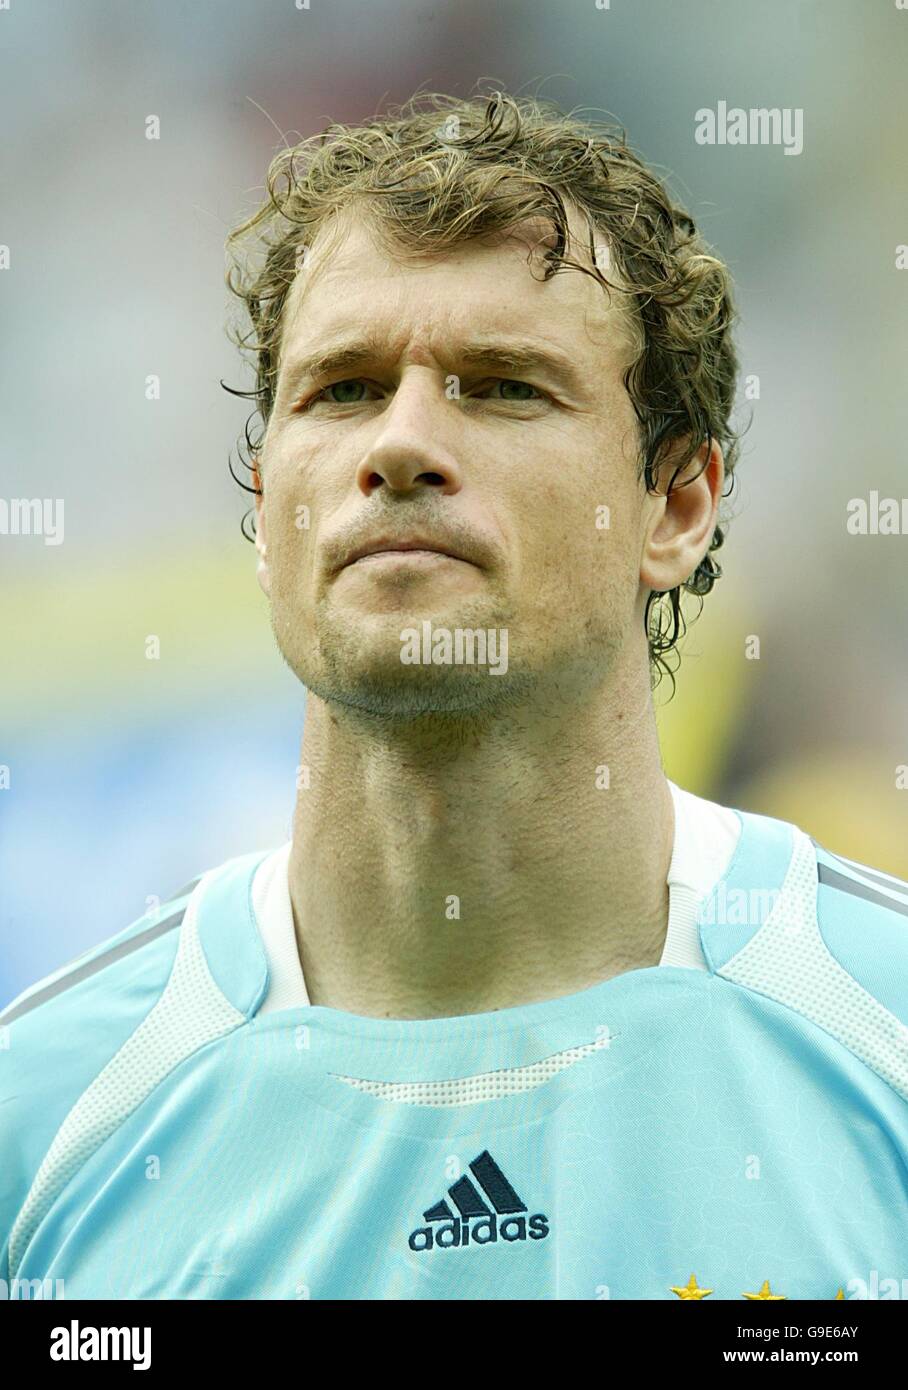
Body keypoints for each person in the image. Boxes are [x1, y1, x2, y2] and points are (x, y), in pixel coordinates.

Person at [2, 90, 907, 1302]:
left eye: (500, 385)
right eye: (340, 389)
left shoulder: (875, 1033)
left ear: (676, 504)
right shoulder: (48, 1122)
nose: (401, 442)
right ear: (265, 503)